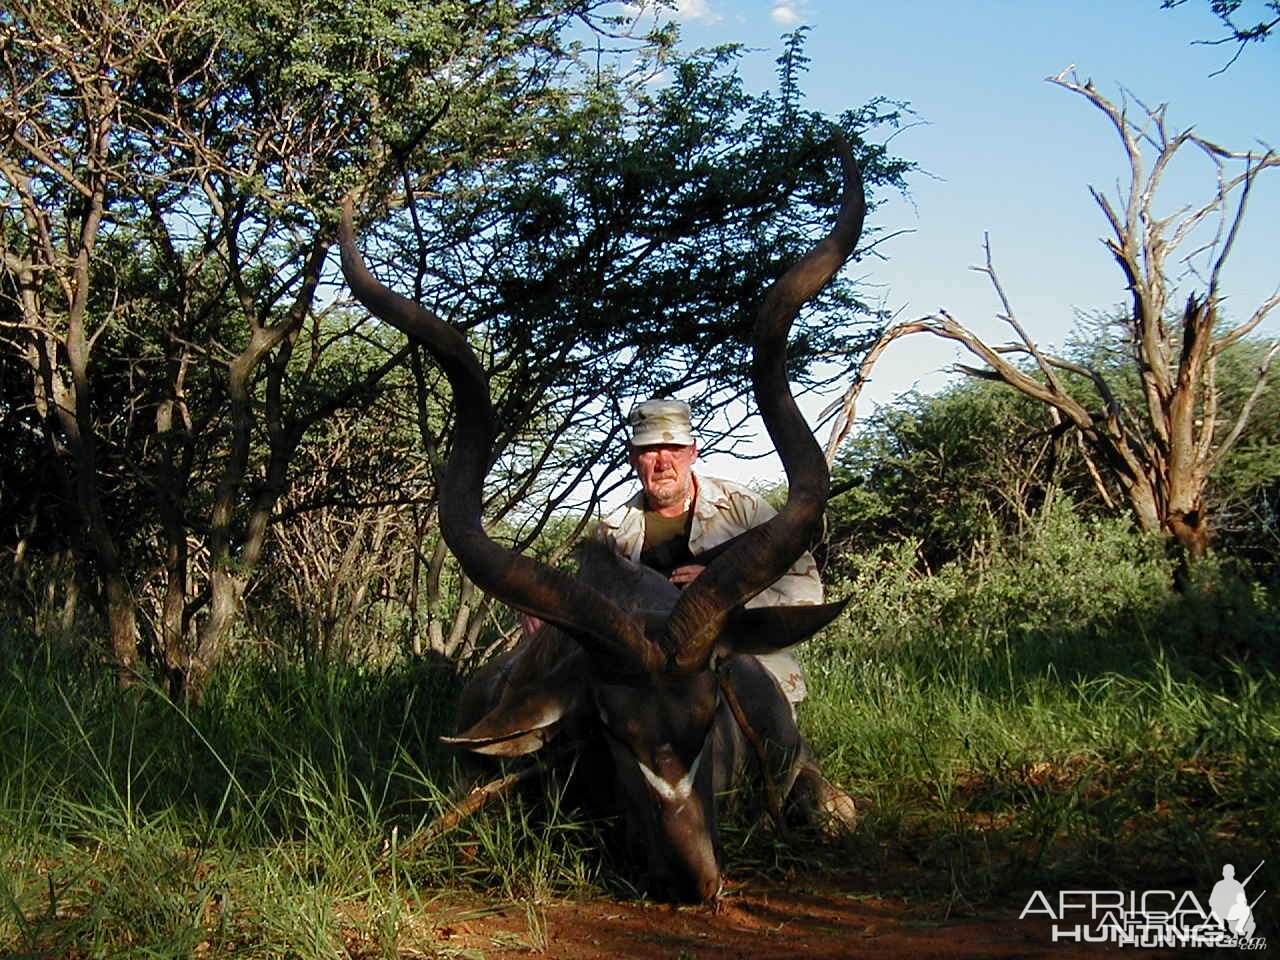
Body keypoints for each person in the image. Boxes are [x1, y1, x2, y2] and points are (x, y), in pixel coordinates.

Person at [593, 398, 823, 706]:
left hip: (735, 655)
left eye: (674, 449)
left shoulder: (744, 509)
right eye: (650, 450)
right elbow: (590, 610)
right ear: (633, 457)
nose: (663, 463)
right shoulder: (612, 532)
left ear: (693, 452)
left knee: (766, 722)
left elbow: (805, 590)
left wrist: (722, 593)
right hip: (648, 673)